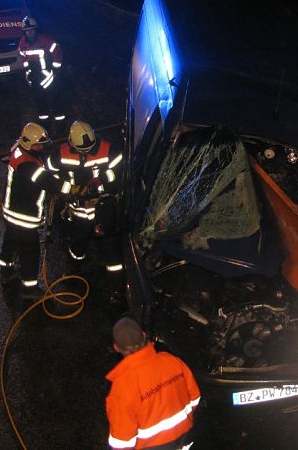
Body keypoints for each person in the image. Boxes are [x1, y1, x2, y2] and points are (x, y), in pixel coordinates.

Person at [47, 120, 123, 294]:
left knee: (110, 247)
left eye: (89, 148)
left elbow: (120, 169)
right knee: (77, 244)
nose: (86, 152)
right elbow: (51, 173)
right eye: (82, 150)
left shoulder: (108, 149)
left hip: (103, 208)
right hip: (78, 211)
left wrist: (101, 180)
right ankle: (74, 272)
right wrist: (66, 189)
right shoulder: (61, 154)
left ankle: (118, 288)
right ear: (71, 143)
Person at [105, 316, 201, 450]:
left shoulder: (122, 387)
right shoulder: (171, 361)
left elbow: (122, 443)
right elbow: (195, 398)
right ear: (144, 335)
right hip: (184, 439)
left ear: (116, 347)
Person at [0, 122, 62, 299]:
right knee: (30, 253)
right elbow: (49, 183)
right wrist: (72, 189)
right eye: (38, 145)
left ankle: (6, 272)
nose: (41, 147)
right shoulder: (28, 165)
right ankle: (29, 289)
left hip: (10, 211)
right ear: (28, 143)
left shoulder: (19, 150)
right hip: (24, 217)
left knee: (10, 243)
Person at [18, 16, 67, 135]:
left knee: (55, 99)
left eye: (31, 30)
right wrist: (27, 70)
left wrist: (55, 70)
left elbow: (57, 53)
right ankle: (45, 124)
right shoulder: (23, 43)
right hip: (35, 77)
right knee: (39, 101)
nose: (29, 32)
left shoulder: (46, 40)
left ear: (36, 29)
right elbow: (22, 56)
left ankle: (60, 124)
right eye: (27, 30)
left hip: (49, 76)